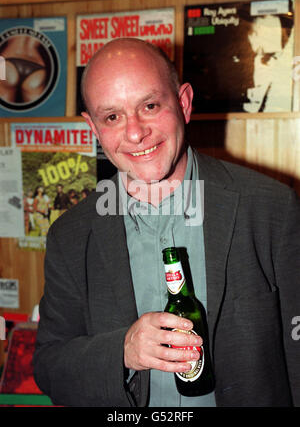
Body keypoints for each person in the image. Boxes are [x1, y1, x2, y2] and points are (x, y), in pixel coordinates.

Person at [33, 38, 300, 407]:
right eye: (112, 116)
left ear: (184, 103)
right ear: (93, 128)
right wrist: (122, 351)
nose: (134, 132)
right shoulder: (70, 236)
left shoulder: (271, 208)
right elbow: (49, 367)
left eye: (150, 105)